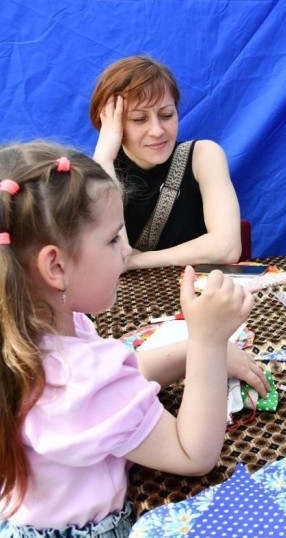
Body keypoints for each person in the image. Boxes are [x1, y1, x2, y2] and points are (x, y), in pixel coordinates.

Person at [0, 142, 255, 535]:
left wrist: (193, 352)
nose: (127, 251)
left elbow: (122, 375)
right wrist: (208, 341)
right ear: (56, 266)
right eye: (113, 239)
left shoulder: (32, 335)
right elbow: (193, 454)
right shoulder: (76, 375)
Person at [89, 55, 242, 270]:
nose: (157, 131)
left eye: (166, 115)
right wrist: (103, 160)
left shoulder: (204, 155)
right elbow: (109, 259)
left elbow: (227, 248)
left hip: (199, 289)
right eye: (139, 119)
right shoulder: (99, 172)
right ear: (110, 122)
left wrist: (133, 261)